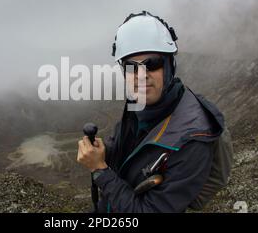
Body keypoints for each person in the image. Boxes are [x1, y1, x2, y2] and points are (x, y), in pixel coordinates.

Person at [77, 11, 232, 213]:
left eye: (152, 64)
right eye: (131, 67)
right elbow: (129, 145)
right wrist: (105, 151)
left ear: (169, 66)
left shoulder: (194, 138)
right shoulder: (140, 104)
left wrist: (99, 170)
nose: (141, 76)